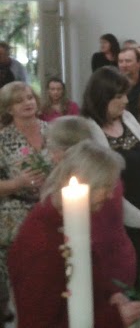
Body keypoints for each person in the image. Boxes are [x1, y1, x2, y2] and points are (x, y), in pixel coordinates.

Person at [8, 140, 140, 328]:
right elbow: (38, 322)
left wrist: (110, 294)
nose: (110, 196)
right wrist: (114, 319)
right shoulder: (43, 242)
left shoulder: (66, 218)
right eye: (106, 187)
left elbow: (85, 272)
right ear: (86, 184)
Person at [81, 67, 140, 275]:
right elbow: (105, 186)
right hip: (119, 222)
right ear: (102, 97)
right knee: (130, 281)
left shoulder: (127, 118)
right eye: (119, 96)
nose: (126, 100)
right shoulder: (89, 131)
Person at [0, 81, 50, 322]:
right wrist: (18, 183)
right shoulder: (3, 139)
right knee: (24, 285)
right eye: (19, 101)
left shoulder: (52, 131)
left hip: (52, 210)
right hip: (16, 216)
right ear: (9, 109)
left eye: (30, 97)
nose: (28, 103)